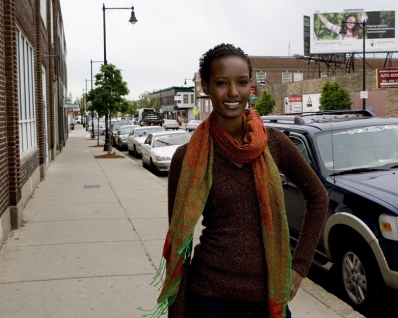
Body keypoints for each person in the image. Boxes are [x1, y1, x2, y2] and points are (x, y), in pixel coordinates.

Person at [145, 43, 328, 318]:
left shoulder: (274, 143)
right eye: (222, 83)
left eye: (242, 82)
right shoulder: (187, 159)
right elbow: (180, 247)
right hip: (209, 300)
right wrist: (178, 313)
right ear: (206, 86)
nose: (233, 92)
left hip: (268, 299)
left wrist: (300, 266)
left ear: (250, 85)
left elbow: (318, 197)